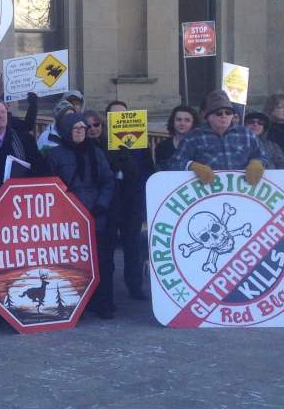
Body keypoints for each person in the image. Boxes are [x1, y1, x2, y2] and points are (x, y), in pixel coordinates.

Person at [46, 113, 116, 317]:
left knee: (102, 260)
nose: (80, 132)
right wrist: (66, 209)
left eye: (82, 128)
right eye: (75, 128)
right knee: (73, 263)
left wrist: (101, 205)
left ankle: (103, 302)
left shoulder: (96, 153)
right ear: (67, 130)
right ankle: (77, 303)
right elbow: (51, 185)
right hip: (69, 216)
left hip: (96, 214)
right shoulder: (56, 155)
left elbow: (108, 181)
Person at [100, 100, 151, 300]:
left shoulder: (141, 142)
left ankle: (135, 287)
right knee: (108, 247)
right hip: (111, 201)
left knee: (133, 246)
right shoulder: (102, 142)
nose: (120, 118)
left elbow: (147, 169)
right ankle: (107, 291)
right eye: (115, 115)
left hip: (132, 199)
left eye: (123, 114)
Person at [167, 91, 269, 183]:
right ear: (209, 117)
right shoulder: (193, 137)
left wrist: (257, 162)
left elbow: (261, 155)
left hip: (241, 190)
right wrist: (192, 166)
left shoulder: (246, 134)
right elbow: (175, 163)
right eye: (219, 113)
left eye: (228, 113)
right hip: (206, 192)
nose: (224, 116)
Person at [0, 98, 44, 211]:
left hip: (19, 205)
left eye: (3, 112)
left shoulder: (25, 141)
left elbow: (39, 171)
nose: (1, 116)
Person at [155, 105, 199, 170]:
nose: (182, 123)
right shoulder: (162, 146)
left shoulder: (200, 146)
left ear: (193, 123)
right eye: (178, 119)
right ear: (173, 122)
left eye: (187, 120)